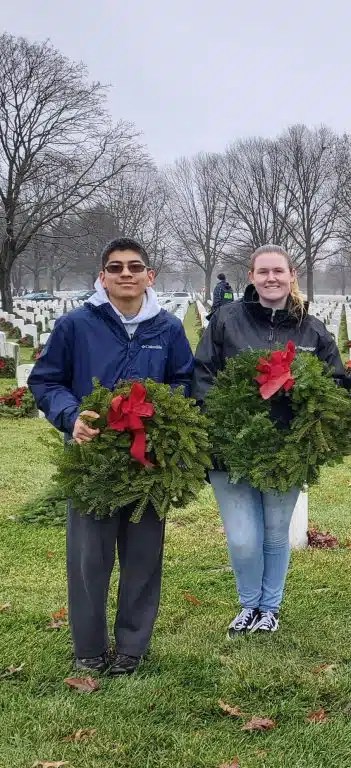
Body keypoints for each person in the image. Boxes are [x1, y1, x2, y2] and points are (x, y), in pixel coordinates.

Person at [28, 237, 194, 676]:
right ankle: (89, 647)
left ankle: (131, 649)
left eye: (134, 267)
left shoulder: (169, 329)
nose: (126, 274)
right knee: (90, 555)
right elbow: (46, 381)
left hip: (148, 461)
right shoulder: (75, 325)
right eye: (116, 267)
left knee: (143, 555)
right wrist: (71, 416)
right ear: (102, 277)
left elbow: (184, 381)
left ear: (149, 276)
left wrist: (163, 417)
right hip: (91, 457)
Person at [193, 244, 345, 638]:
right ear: (251, 276)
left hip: (285, 450)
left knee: (276, 534)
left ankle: (269, 608)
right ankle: (248, 604)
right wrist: (224, 417)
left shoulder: (312, 329)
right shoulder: (226, 320)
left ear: (292, 275)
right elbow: (203, 374)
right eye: (263, 272)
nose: (271, 278)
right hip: (231, 449)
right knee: (244, 538)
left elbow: (335, 382)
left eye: (279, 271)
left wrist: (306, 401)